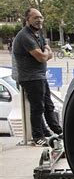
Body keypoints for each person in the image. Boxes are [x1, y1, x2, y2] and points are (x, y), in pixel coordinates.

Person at [12, 8, 62, 146]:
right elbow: (41, 57)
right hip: (30, 77)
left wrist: (46, 53)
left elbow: (48, 53)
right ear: (27, 20)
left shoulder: (37, 34)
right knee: (38, 107)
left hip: (39, 76)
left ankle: (55, 131)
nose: (39, 20)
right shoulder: (25, 36)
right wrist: (46, 53)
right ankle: (37, 136)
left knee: (48, 105)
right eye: (35, 18)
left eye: (41, 17)